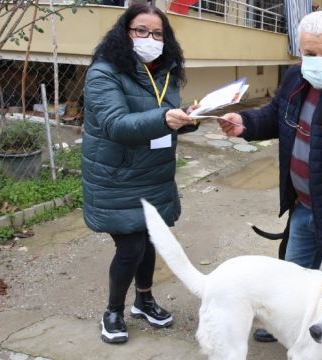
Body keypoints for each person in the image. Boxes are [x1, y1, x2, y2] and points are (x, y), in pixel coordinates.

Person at [217, 10, 322, 342]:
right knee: (292, 277)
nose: (317, 60)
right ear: (299, 51)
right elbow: (276, 114)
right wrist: (246, 124)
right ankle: (287, 325)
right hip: (305, 205)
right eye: (309, 53)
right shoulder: (296, 78)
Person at [82, 4, 197, 344]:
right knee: (131, 245)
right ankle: (113, 310)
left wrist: (190, 117)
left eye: (158, 33)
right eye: (141, 31)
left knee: (150, 239)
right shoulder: (104, 72)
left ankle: (144, 300)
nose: (151, 38)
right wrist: (165, 119)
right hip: (117, 175)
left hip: (155, 175)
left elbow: (166, 120)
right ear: (125, 32)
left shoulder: (166, 71)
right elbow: (115, 125)